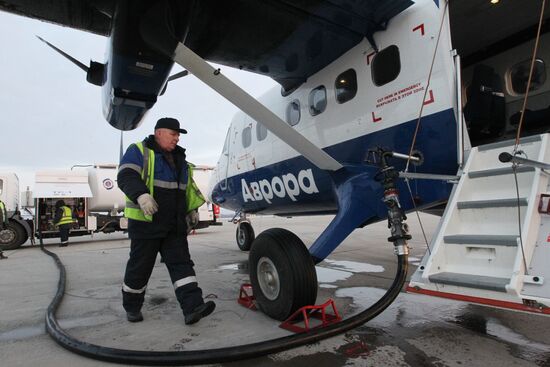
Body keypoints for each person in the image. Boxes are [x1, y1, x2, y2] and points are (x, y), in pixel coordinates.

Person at [117, 117, 215, 324]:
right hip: (147, 224)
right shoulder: (139, 151)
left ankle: (193, 307)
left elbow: (186, 190)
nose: (177, 138)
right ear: (159, 133)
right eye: (173, 134)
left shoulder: (181, 160)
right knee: (140, 268)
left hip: (174, 225)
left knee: (182, 266)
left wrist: (191, 210)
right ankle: (132, 307)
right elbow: (126, 176)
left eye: (178, 135)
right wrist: (141, 195)